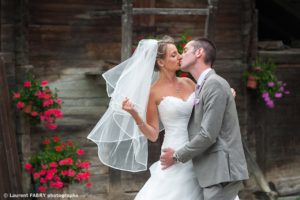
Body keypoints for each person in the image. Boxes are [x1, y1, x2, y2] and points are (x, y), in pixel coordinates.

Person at [160, 38, 249, 200]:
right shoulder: (203, 86)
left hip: (222, 170)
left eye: (185, 50)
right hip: (213, 171)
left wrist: (176, 156)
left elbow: (208, 134)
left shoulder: (214, 84)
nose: (181, 55)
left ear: (199, 53)